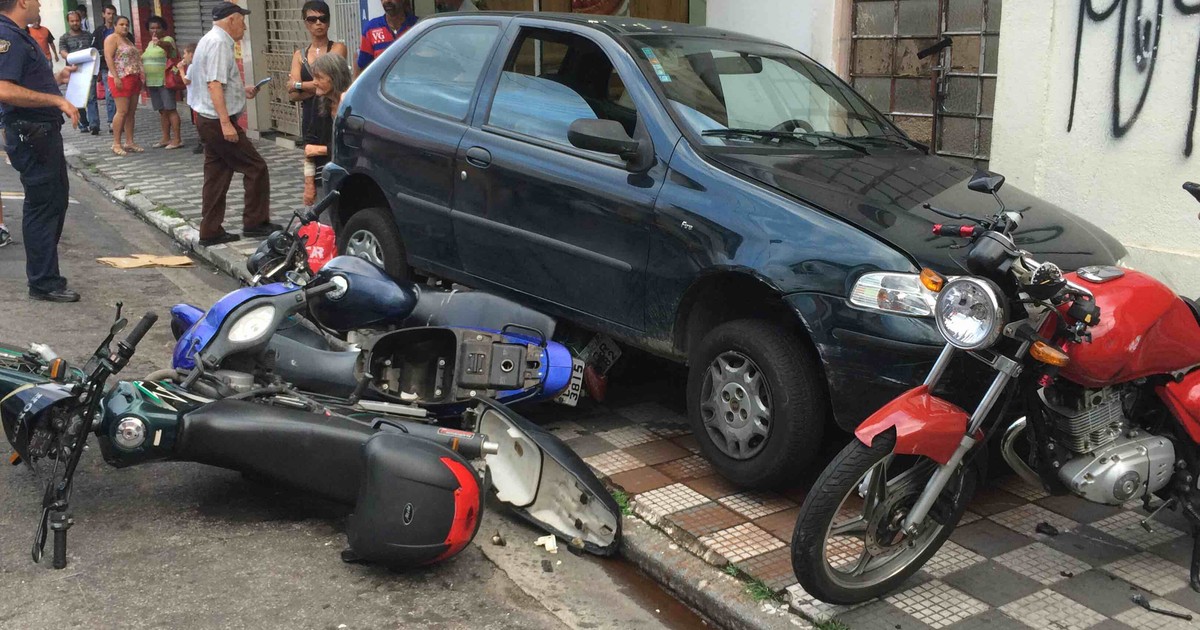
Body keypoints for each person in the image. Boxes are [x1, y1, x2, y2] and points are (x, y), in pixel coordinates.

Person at [0, 0, 82, 302]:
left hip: (39, 133)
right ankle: (43, 282)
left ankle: (46, 277)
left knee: (54, 202)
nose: (38, 5)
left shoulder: (19, 34)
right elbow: (4, 89)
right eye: (34, 0)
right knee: (43, 205)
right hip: (31, 133)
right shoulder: (6, 36)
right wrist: (56, 101)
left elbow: (25, 81)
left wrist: (57, 81)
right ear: (21, 2)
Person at [188, 2, 279, 247]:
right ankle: (255, 223)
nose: (245, 26)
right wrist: (227, 123)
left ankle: (210, 231)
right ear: (231, 20)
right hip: (217, 121)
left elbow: (218, 82)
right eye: (242, 20)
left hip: (208, 119)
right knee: (256, 167)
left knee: (217, 175)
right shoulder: (219, 43)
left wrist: (242, 89)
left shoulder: (210, 40)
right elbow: (214, 84)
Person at [287, 1, 345, 152]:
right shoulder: (299, 55)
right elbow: (293, 95)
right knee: (311, 157)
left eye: (323, 19)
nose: (318, 23)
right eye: (312, 19)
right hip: (310, 117)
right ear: (306, 23)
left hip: (332, 113)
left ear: (329, 22)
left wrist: (299, 85)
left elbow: (333, 83)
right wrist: (319, 87)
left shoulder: (337, 48)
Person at [302, 53, 348, 206]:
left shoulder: (351, 104)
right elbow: (309, 146)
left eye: (319, 77)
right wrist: (309, 185)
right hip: (324, 174)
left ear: (335, 78)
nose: (314, 83)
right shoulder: (319, 101)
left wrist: (322, 150)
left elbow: (353, 145)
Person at [104, 15, 142, 155]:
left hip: (133, 77)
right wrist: (115, 76)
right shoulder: (112, 39)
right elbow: (108, 58)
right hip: (120, 77)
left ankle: (129, 141)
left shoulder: (128, 40)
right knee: (122, 111)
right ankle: (116, 143)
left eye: (127, 24)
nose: (125, 27)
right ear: (115, 25)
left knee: (131, 112)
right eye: (121, 24)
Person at [142, 15, 181, 149]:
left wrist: (160, 43)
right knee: (162, 110)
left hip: (165, 81)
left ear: (164, 29)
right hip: (152, 81)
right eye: (152, 28)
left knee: (170, 109)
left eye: (158, 27)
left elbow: (170, 50)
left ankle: (177, 139)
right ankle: (165, 138)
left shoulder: (167, 40)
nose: (155, 30)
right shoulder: (149, 43)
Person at [355, 0, 414, 77]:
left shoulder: (417, 26)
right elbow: (363, 68)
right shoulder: (371, 28)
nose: (387, 1)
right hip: (381, 87)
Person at [58, 10, 92, 133]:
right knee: (78, 98)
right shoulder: (64, 38)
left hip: (88, 70)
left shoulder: (88, 35)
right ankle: (83, 123)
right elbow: (62, 52)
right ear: (68, 22)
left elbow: (93, 50)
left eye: (77, 20)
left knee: (91, 98)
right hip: (72, 72)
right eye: (72, 21)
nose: (75, 23)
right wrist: (71, 57)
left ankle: (94, 124)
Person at [91, 3, 115, 133]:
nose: (110, 16)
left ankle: (120, 119)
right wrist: (98, 69)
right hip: (106, 67)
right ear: (103, 15)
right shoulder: (99, 32)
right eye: (108, 13)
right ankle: (112, 121)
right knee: (109, 93)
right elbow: (94, 51)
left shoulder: (120, 29)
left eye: (112, 13)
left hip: (121, 66)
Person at [180, 41, 204, 155]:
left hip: (195, 99)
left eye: (185, 53)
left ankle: (202, 142)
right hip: (201, 97)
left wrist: (180, 69)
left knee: (198, 122)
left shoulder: (192, 66)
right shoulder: (202, 64)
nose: (183, 56)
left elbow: (186, 81)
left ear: (192, 54)